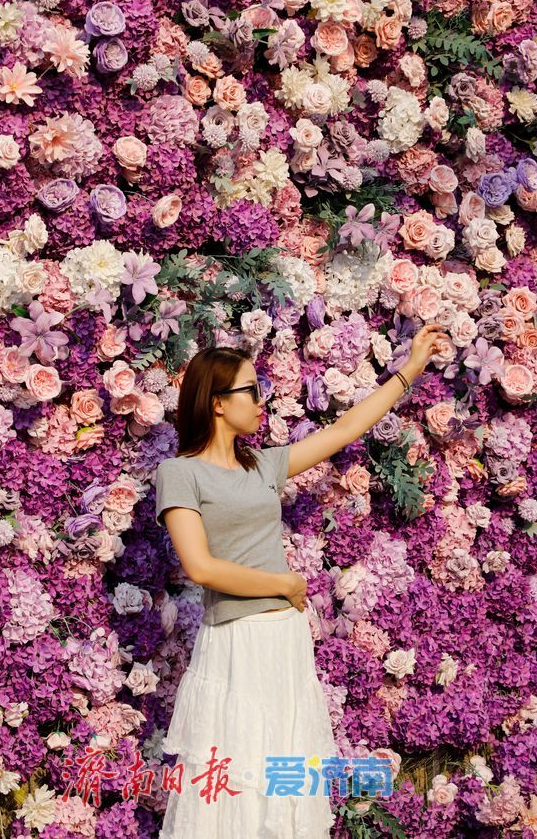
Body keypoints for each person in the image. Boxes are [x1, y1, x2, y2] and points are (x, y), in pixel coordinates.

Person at [154, 322, 449, 838]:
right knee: (236, 771)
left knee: (280, 773)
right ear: (218, 402)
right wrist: (284, 586)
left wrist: (410, 370)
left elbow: (343, 431)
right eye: (251, 390)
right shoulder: (181, 473)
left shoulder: (262, 465)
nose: (260, 399)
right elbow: (199, 567)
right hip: (236, 642)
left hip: (283, 642)